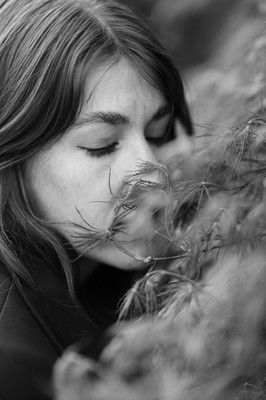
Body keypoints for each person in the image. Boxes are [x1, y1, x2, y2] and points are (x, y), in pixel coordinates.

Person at [0, 0, 193, 398]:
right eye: (101, 146)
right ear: (13, 154)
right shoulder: (14, 363)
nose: (153, 172)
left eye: (157, 133)